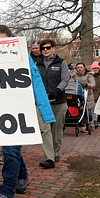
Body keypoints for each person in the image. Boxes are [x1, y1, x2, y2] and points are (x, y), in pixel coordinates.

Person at [0, 26, 55, 198]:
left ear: (12, 40)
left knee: (10, 151)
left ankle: (6, 193)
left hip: (19, 111)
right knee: (11, 150)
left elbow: (36, 82)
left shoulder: (23, 57)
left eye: (3, 40)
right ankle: (23, 177)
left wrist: (45, 112)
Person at [35, 39, 69, 168]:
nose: (45, 50)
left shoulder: (61, 63)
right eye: (43, 48)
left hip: (58, 101)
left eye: (48, 48)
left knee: (56, 130)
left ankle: (55, 153)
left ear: (53, 49)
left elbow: (65, 79)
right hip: (42, 103)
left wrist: (58, 90)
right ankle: (49, 158)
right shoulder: (37, 64)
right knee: (44, 129)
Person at [71, 62, 96, 127]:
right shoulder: (73, 75)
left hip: (88, 95)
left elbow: (93, 84)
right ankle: (83, 124)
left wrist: (86, 85)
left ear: (84, 68)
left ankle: (91, 121)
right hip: (77, 95)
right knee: (80, 110)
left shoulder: (89, 75)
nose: (79, 69)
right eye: (78, 67)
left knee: (88, 111)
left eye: (81, 67)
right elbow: (70, 83)